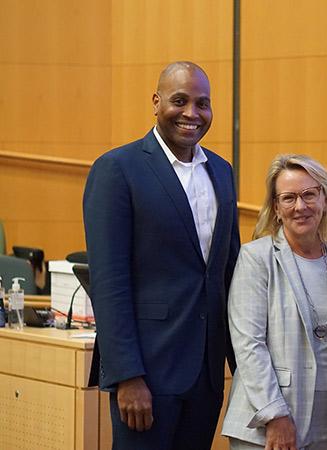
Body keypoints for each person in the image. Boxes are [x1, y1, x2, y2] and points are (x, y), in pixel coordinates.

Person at [83, 61, 241, 449]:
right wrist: (126, 376)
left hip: (206, 375)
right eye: (179, 100)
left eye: (202, 103)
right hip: (147, 376)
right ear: (156, 102)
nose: (192, 113)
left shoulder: (222, 172)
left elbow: (229, 274)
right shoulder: (117, 169)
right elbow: (108, 282)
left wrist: (245, 368)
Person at [222, 154, 327, 450]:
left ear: (324, 199)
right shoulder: (256, 258)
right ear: (276, 208)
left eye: (309, 195)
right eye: (288, 198)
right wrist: (275, 415)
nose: (300, 207)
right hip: (270, 420)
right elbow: (248, 345)